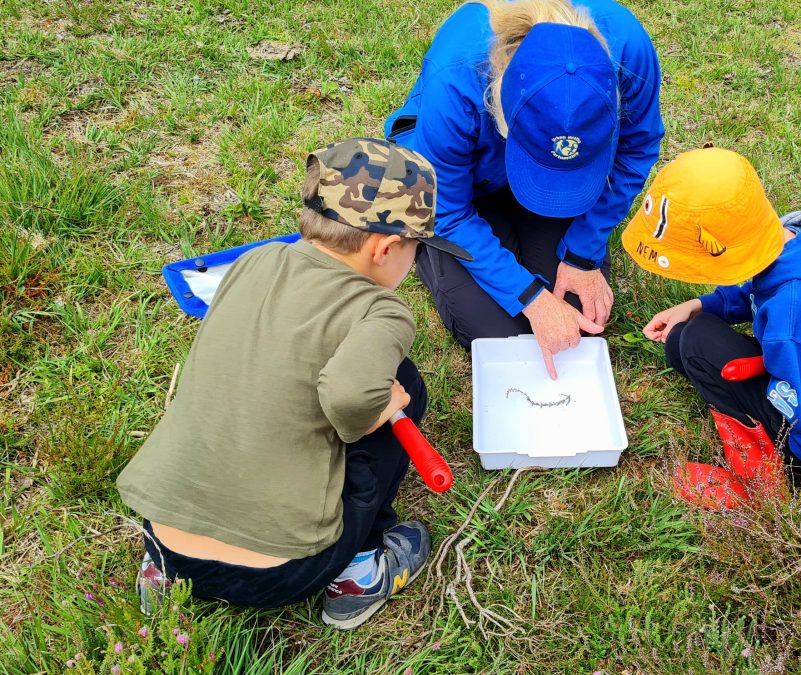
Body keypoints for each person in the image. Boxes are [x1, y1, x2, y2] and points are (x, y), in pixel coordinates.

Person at [116, 138, 473, 629]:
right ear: (386, 247)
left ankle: (160, 577)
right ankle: (359, 574)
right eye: (416, 249)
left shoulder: (249, 264)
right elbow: (350, 397)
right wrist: (380, 407)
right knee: (403, 389)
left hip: (165, 541)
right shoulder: (381, 309)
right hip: (282, 570)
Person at [620, 147, 801, 509]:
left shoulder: (797, 312)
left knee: (696, 341)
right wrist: (698, 304)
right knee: (682, 338)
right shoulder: (797, 240)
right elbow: (760, 283)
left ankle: (761, 481)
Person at [385, 0, 664, 378]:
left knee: (575, 318)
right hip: (461, 186)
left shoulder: (628, 47)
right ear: (498, 100)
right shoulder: (456, 77)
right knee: (499, 334)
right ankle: (424, 247)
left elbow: (637, 148)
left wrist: (583, 253)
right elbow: (448, 209)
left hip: (546, 173)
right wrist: (531, 298)